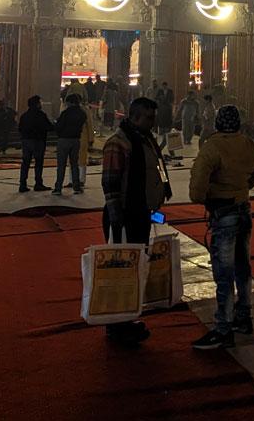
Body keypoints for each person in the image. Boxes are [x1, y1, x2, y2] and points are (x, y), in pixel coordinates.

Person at [189, 104, 254, 350]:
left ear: (217, 123)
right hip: (244, 209)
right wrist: (242, 187)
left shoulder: (212, 147)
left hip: (223, 213)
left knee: (223, 273)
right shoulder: (248, 144)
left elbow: (196, 190)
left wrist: (211, 195)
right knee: (243, 268)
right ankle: (243, 317)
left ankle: (223, 328)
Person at [102, 97, 170, 346]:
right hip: (123, 215)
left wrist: (159, 195)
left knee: (135, 269)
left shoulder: (145, 140)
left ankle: (127, 319)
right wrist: (117, 217)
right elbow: (110, 183)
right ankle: (116, 325)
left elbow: (156, 170)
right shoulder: (118, 143)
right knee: (121, 271)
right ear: (135, 116)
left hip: (140, 213)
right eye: (149, 118)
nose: (153, 123)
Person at [17, 95, 53, 192]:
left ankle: (22, 184)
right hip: (38, 141)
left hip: (26, 141)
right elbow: (49, 127)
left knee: (25, 163)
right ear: (37, 104)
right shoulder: (40, 115)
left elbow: (20, 128)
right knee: (38, 163)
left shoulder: (24, 116)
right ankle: (38, 183)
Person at [54, 94, 87, 195]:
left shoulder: (65, 113)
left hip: (64, 140)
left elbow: (59, 126)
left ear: (70, 102)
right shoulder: (82, 113)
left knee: (61, 165)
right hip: (76, 140)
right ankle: (76, 187)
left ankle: (58, 188)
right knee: (74, 164)